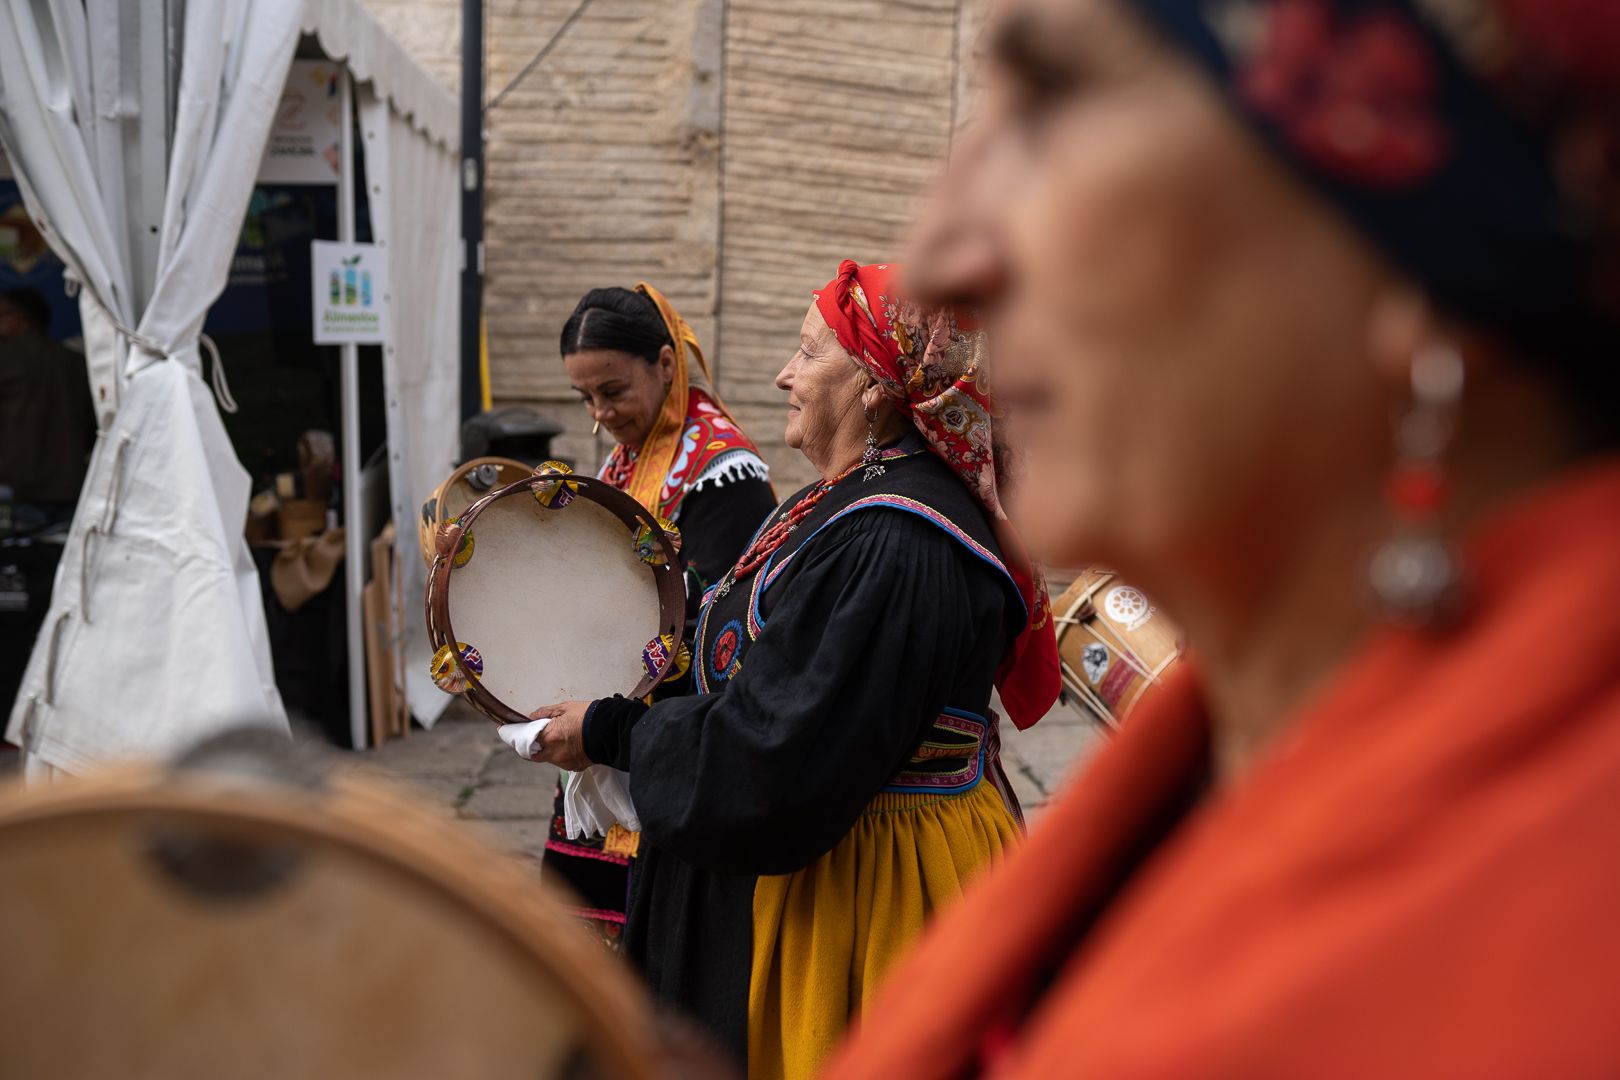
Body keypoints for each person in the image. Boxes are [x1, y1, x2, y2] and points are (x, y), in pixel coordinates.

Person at [826, 0, 1620, 1076]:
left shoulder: (1559, 970)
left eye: (1054, 103)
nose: (936, 262)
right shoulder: (1212, 769)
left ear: (1430, 269)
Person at [517, 262, 1060, 1078]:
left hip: (861, 894)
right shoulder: (847, 498)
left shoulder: (900, 542)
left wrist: (610, 731)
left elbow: (780, 754)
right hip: (832, 863)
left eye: (810, 353)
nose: (782, 374)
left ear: (879, 387)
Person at [540, 283, 776, 948]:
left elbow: (727, 618)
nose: (598, 414)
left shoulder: (724, 470)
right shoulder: (627, 459)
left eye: (611, 391)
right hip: (612, 722)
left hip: (665, 738)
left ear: (666, 364)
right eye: (585, 398)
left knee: (655, 953)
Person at [0, 287, 95, 529]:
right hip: (70, 489)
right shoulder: (76, 363)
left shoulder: (7, 357)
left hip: (15, 490)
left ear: (20, 318)